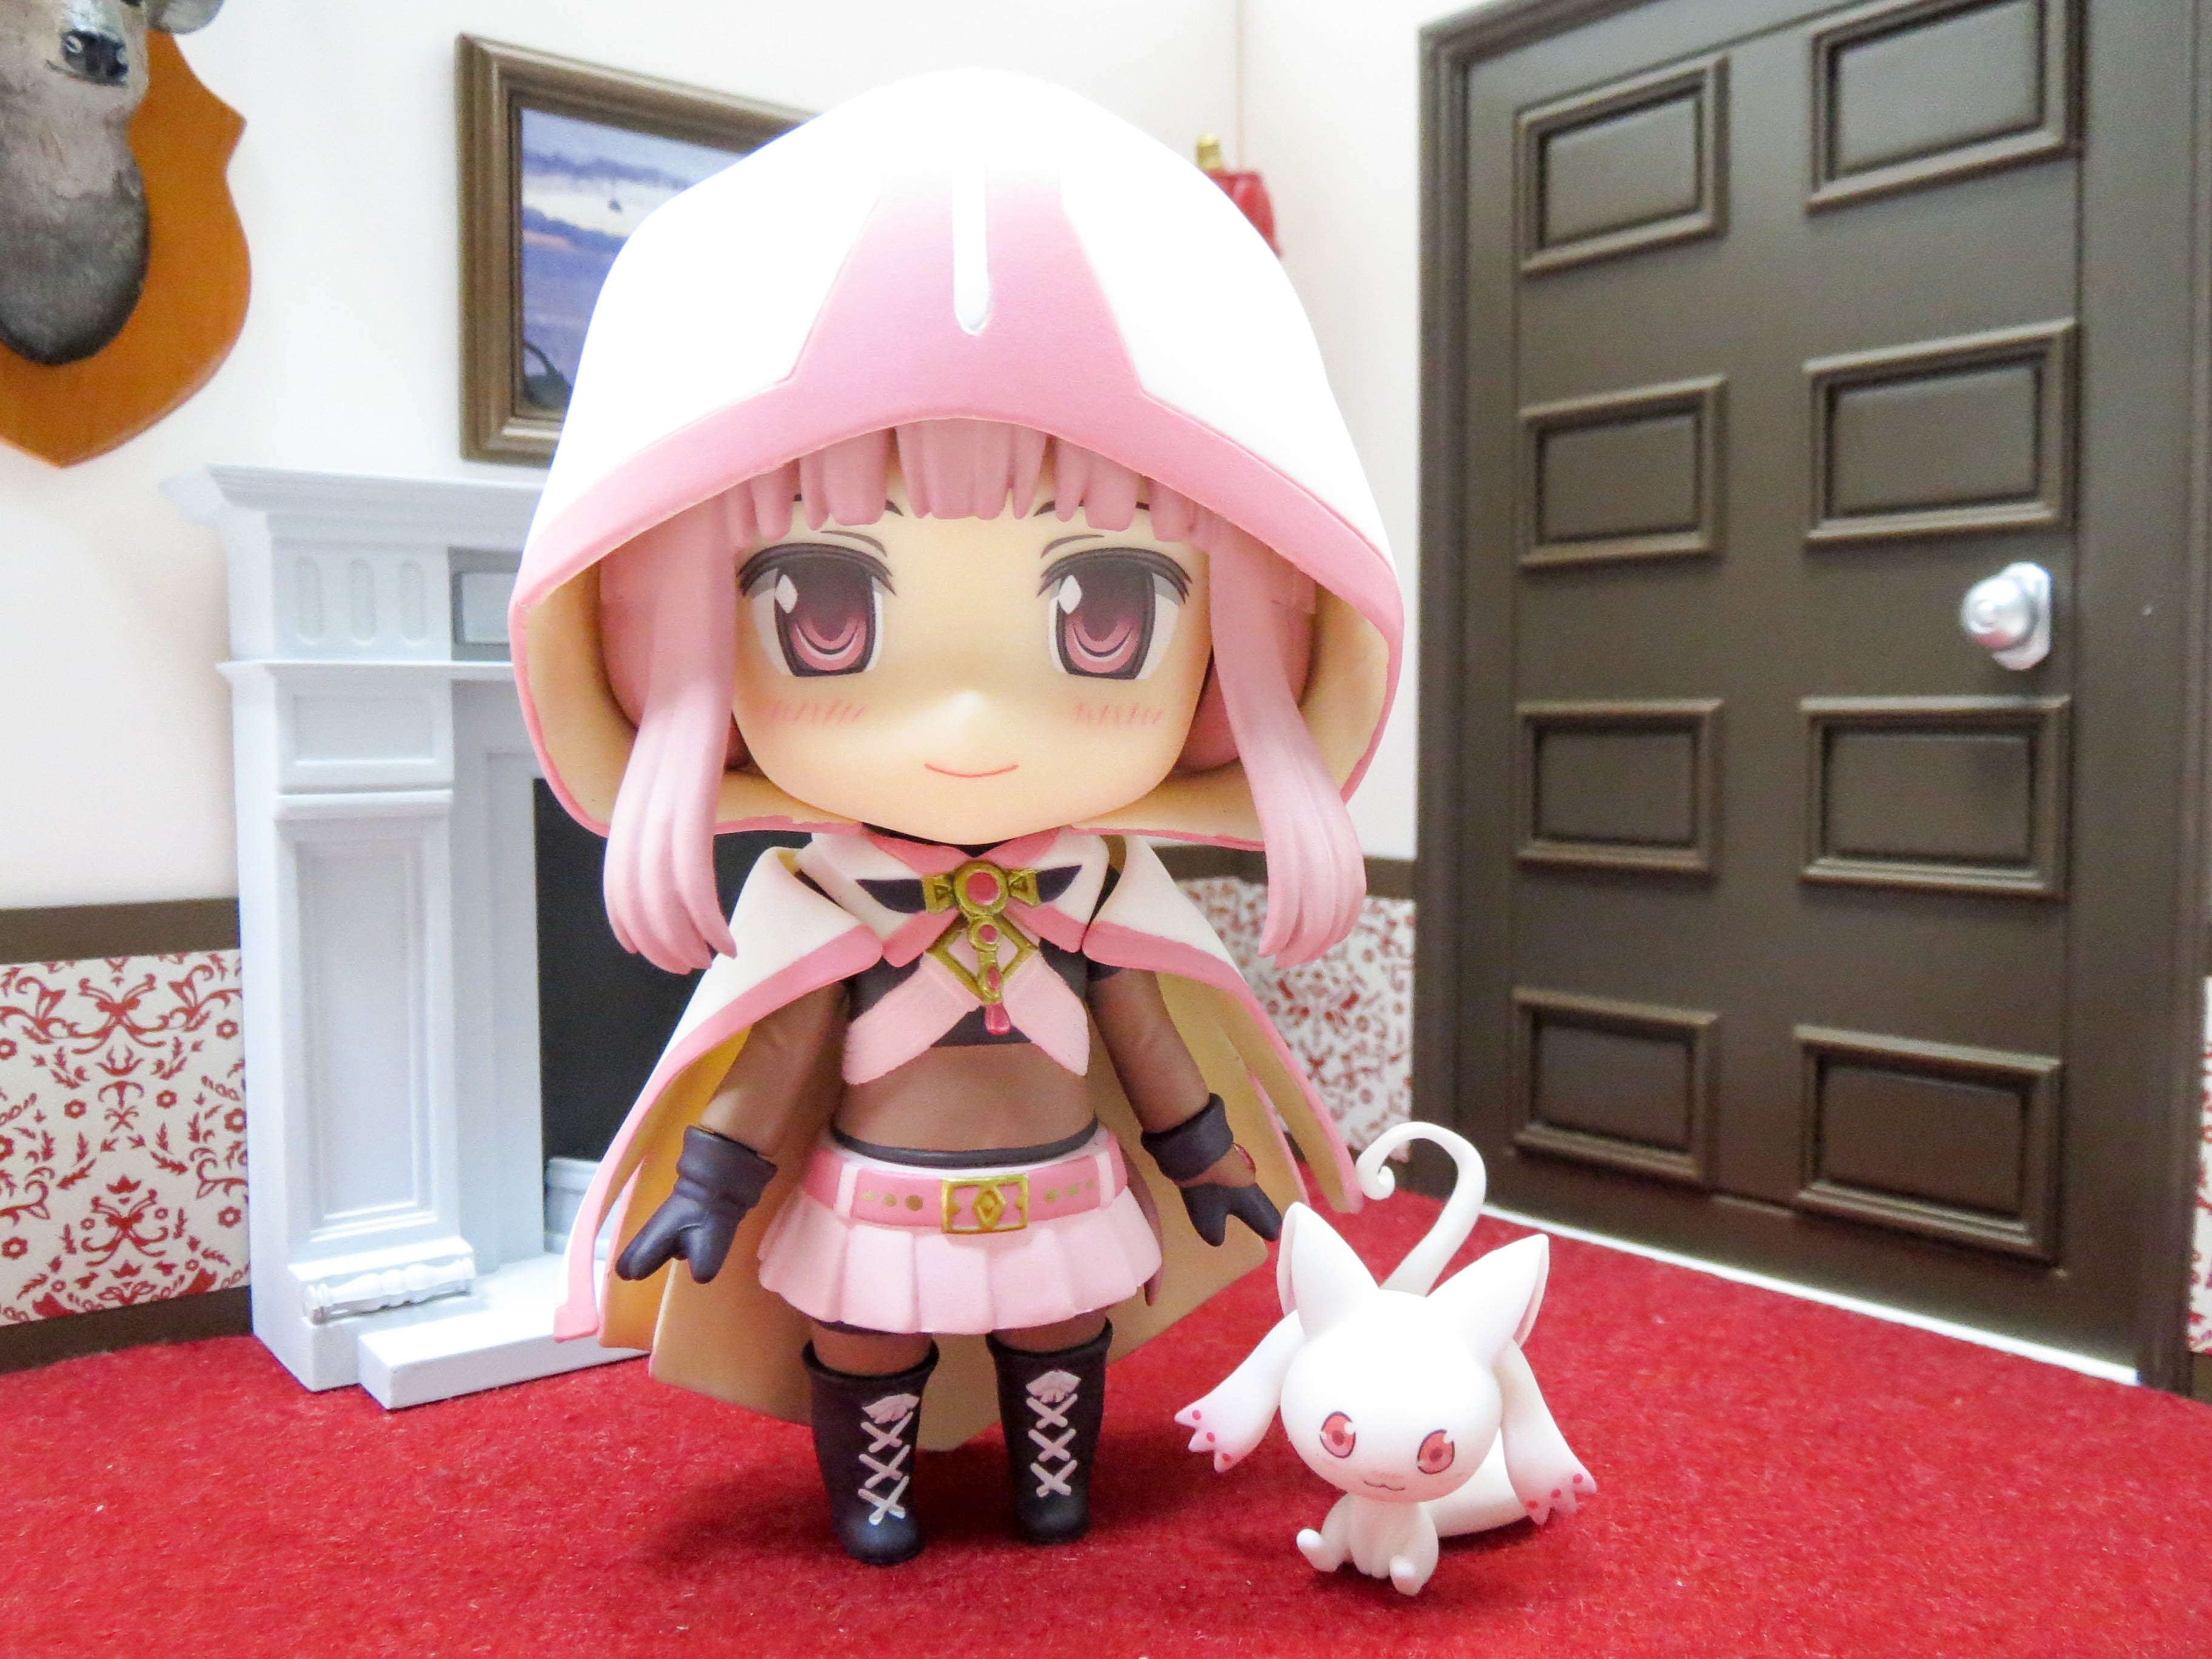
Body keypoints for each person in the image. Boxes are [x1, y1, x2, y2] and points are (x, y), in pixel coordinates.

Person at [509, 68, 1403, 1565]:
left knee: (1062, 1323)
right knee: (866, 1336)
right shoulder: (835, 903)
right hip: (880, 1188)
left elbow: (1147, 1032)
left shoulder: (1093, 894)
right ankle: (874, 1486)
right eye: (826, 612)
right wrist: (717, 1180)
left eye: (1109, 614)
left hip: (1057, 1177)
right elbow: (779, 1046)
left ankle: (1056, 1468)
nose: (973, 731)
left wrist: (1203, 1156)